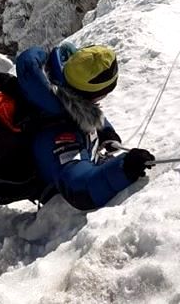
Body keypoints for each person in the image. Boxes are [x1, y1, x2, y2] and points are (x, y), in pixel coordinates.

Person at [15, 42, 155, 210]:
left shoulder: (54, 84)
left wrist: (105, 131)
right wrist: (125, 167)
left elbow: (83, 110)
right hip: (56, 195)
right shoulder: (59, 133)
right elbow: (80, 189)